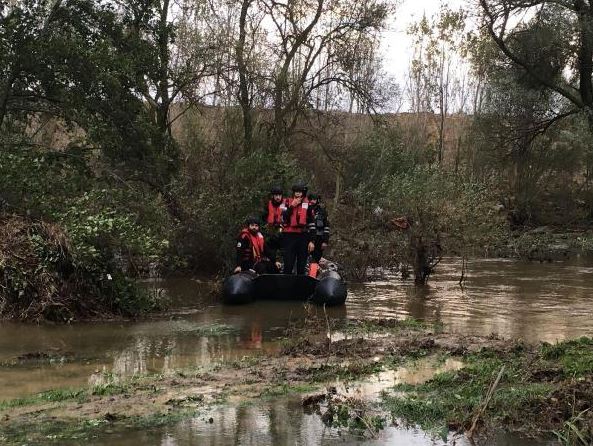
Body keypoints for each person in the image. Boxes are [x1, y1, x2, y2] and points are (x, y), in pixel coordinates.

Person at [281, 181, 309, 275]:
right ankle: (286, 283)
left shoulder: (307, 204)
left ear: (303, 193)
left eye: (300, 192)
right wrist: (292, 206)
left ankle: (300, 284)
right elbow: (283, 216)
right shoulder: (286, 202)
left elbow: (312, 222)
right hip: (289, 235)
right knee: (288, 262)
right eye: (296, 191)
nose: (298, 193)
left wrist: (312, 240)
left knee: (302, 263)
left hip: (303, 235)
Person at [261, 185, 285, 272]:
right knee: (270, 248)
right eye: (276, 195)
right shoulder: (268, 206)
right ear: (273, 196)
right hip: (270, 231)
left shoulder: (286, 205)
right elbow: (263, 219)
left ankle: (282, 267)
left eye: (279, 195)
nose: (278, 197)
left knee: (283, 248)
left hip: (283, 231)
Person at [306, 193, 330, 277]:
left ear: (317, 200)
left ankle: (312, 277)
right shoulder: (305, 209)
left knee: (315, 259)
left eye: (314, 199)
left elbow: (326, 227)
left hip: (319, 238)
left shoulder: (323, 212)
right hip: (306, 238)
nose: (312, 201)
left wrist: (325, 241)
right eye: (311, 199)